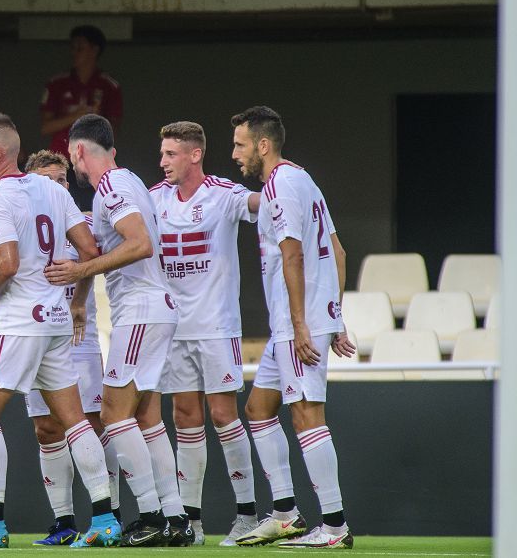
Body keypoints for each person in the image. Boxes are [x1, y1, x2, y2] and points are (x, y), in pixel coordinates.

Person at [0, 113, 122, 549]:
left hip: (20, 320)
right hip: (56, 320)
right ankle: (106, 519)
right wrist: (70, 287)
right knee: (75, 421)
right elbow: (90, 250)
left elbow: (7, 263)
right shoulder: (51, 190)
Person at [45, 113, 193, 547]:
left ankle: (148, 514)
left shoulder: (111, 187)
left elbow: (139, 243)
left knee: (113, 414)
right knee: (148, 418)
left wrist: (81, 268)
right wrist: (79, 300)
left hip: (141, 310)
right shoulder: (129, 182)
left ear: (77, 151)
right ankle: (175, 516)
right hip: (157, 307)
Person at [228, 106, 355, 549]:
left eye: (240, 145)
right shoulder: (305, 179)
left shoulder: (280, 185)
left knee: (306, 416)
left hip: (295, 324)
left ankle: (335, 527)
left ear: (263, 145)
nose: (235, 154)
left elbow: (294, 256)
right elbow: (338, 254)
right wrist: (334, 317)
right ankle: (285, 513)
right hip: (304, 320)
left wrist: (303, 325)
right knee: (259, 409)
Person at [150, 121, 261, 546]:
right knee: (184, 418)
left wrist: (287, 186)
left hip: (216, 326)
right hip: (174, 329)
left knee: (222, 415)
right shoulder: (153, 198)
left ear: (194, 154)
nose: (163, 162)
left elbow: (263, 204)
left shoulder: (223, 194)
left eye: (171, 154)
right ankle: (191, 523)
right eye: (162, 154)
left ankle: (247, 514)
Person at [21, 150, 121, 546]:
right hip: (35, 335)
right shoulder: (17, 220)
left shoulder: (87, 220)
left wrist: (78, 300)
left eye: (62, 179)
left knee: (94, 425)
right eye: (47, 179)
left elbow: (97, 256)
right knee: (46, 428)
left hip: (79, 338)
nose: (58, 186)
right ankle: (62, 521)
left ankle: (108, 511)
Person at [39, 25, 123, 210]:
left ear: (94, 50)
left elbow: (114, 131)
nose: (74, 53)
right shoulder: (57, 83)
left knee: (93, 211)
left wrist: (96, 122)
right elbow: (45, 127)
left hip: (92, 162)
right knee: (57, 210)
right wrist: (77, 116)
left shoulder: (109, 86)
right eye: (72, 47)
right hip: (59, 162)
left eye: (80, 48)